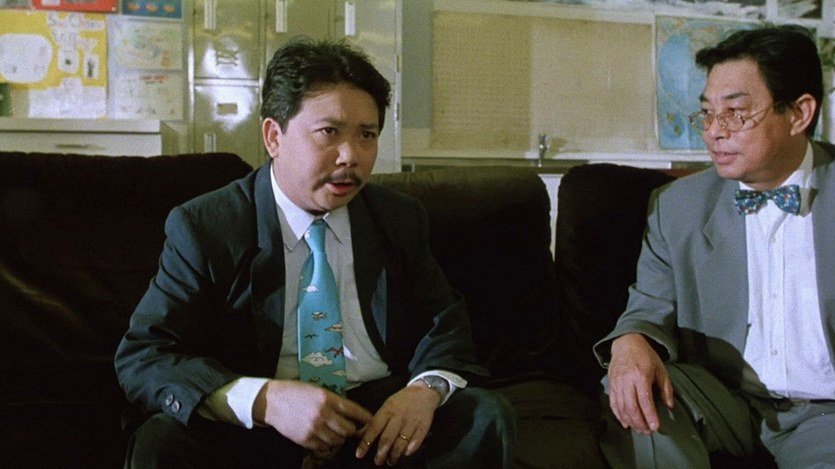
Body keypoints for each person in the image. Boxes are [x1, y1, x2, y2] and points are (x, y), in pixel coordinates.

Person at [114, 38, 515, 469]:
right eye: (329, 132)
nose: (351, 156)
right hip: (263, 420)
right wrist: (265, 401)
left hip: (375, 423)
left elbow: (444, 323)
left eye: (367, 135)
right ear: (274, 137)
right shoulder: (208, 226)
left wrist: (424, 390)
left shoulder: (397, 218)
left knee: (484, 416)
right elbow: (146, 354)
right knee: (162, 441)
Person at [594, 24, 835, 468]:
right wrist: (630, 341)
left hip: (826, 415)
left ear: (799, 114)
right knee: (630, 384)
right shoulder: (677, 206)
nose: (713, 133)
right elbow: (647, 308)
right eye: (707, 113)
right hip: (725, 398)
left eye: (735, 113)